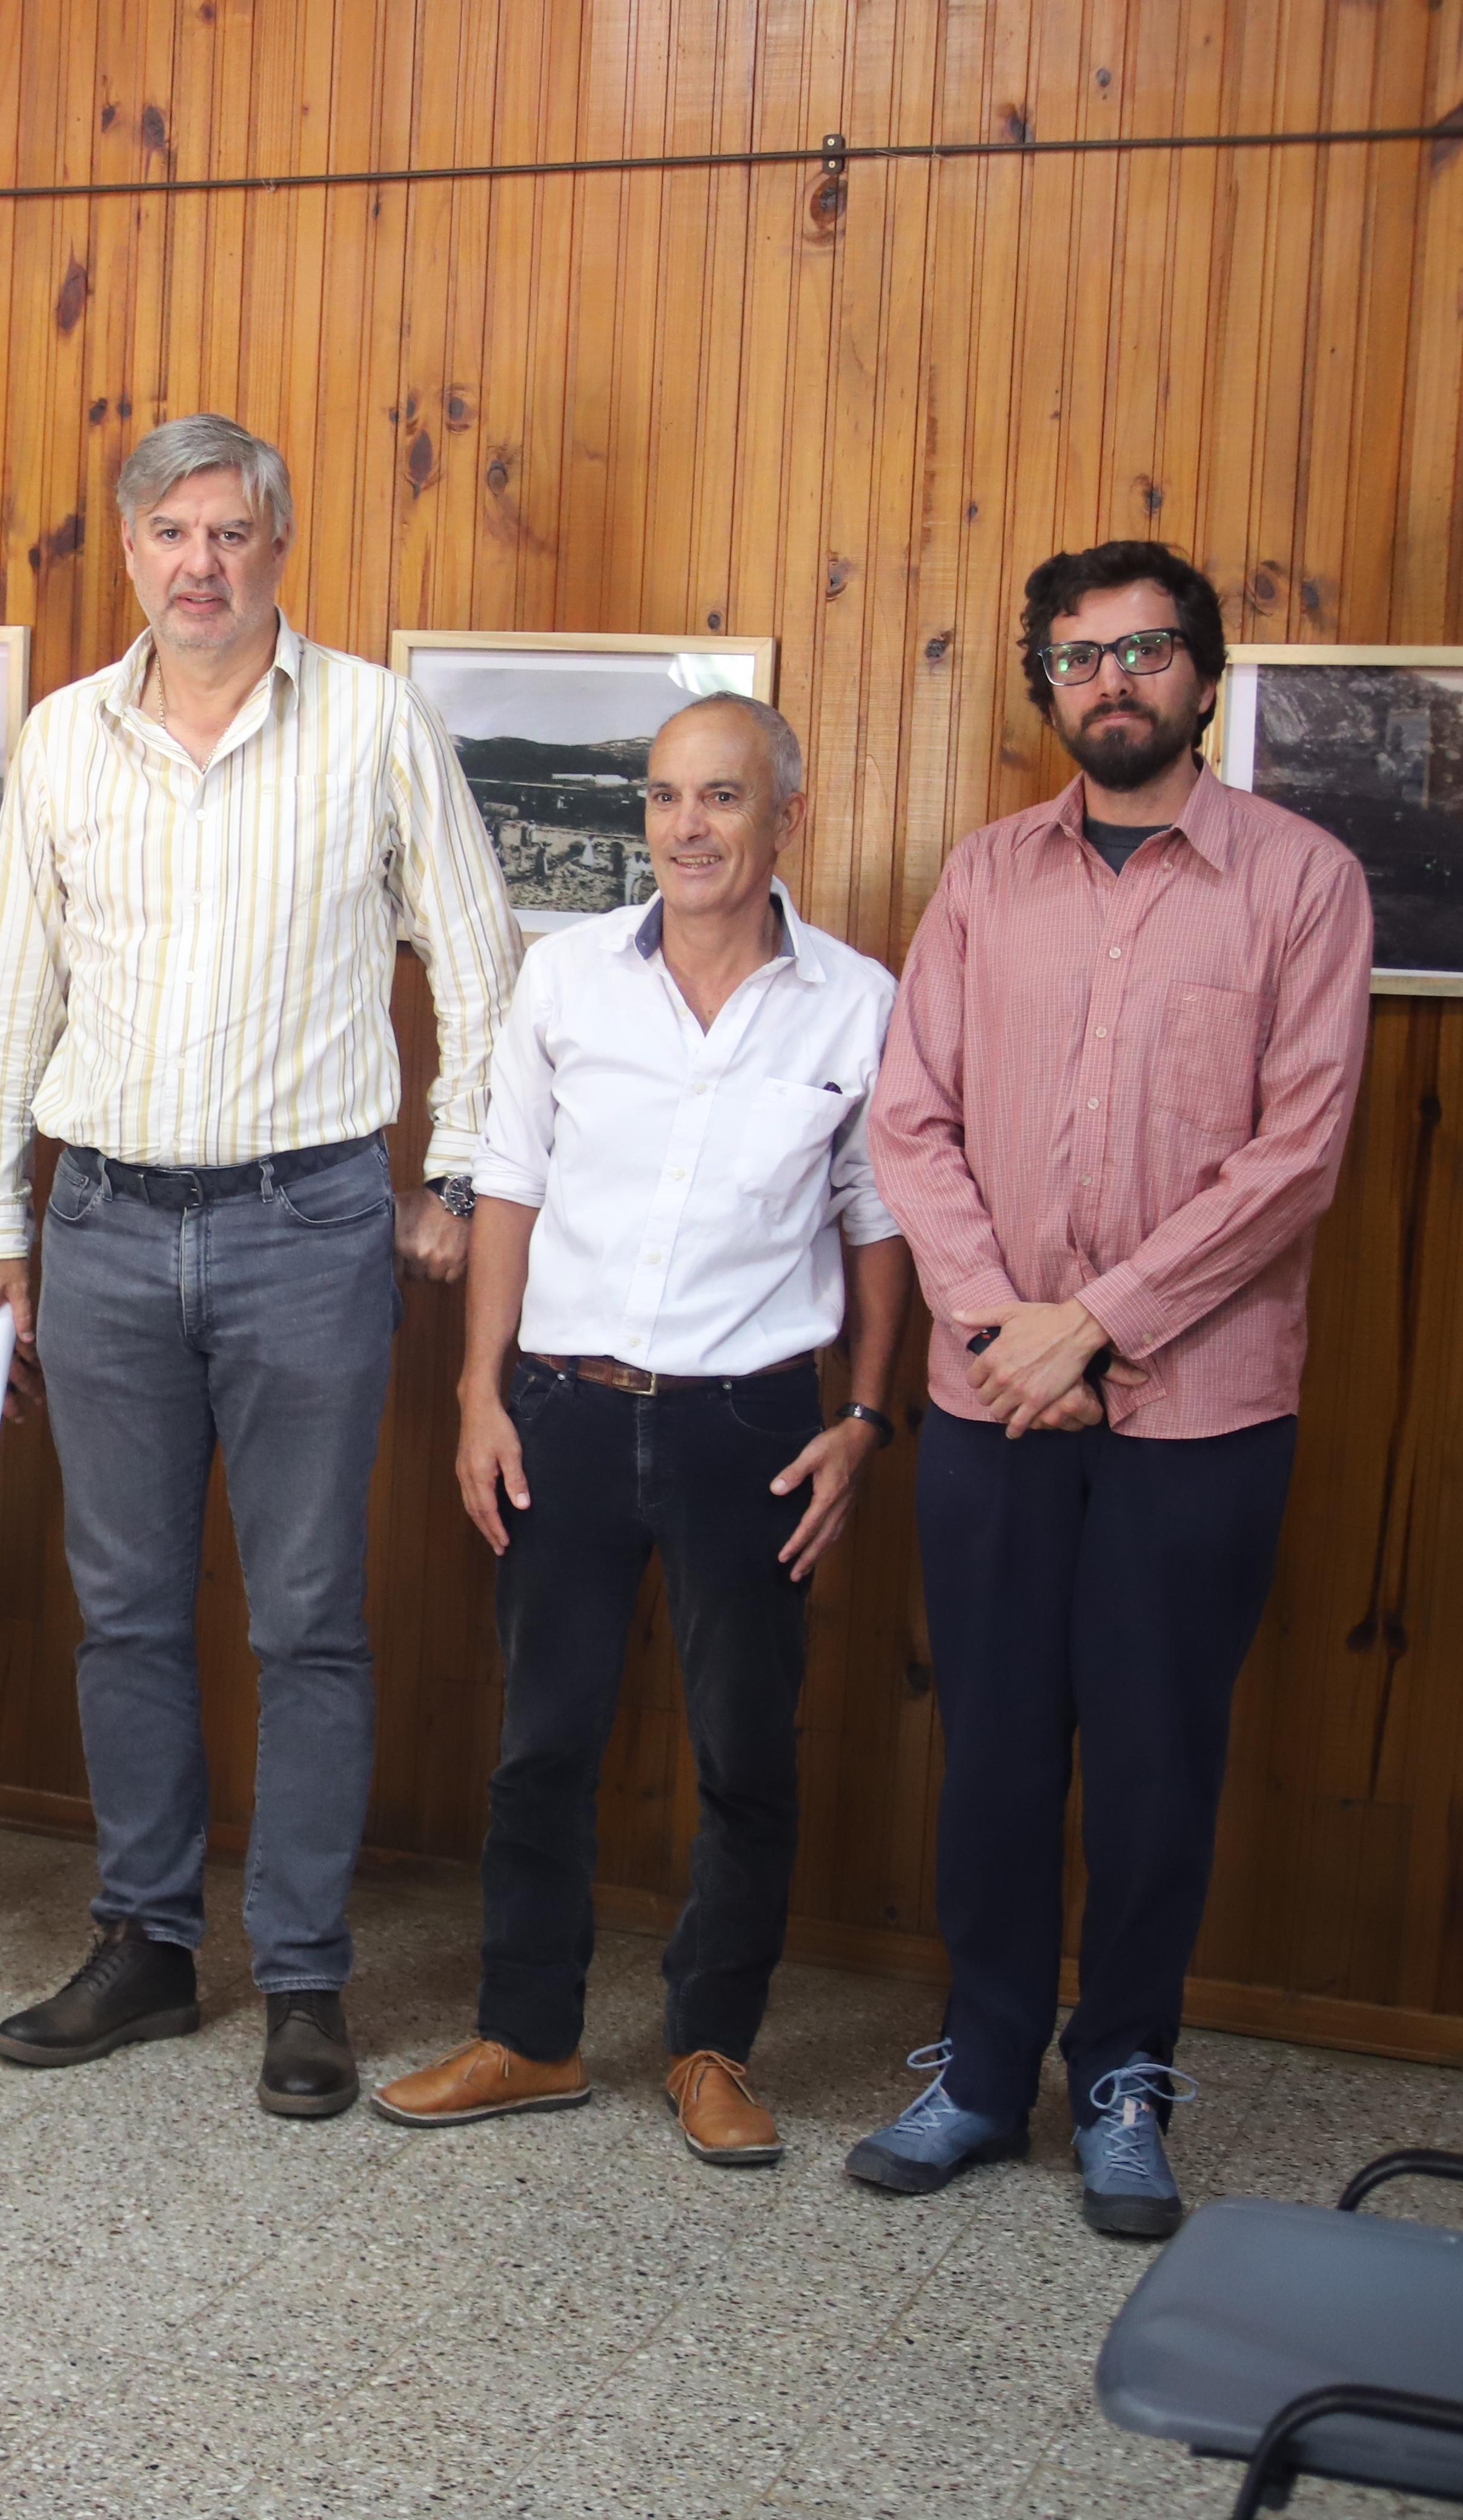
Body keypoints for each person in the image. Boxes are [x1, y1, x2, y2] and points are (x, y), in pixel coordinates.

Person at [0, 413, 520, 2116]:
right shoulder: (65, 736)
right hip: (105, 1228)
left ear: (279, 546)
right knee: (123, 1610)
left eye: (230, 532)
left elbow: (481, 963)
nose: (199, 563)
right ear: (130, 551)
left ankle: (303, 1976)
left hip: (307, 1229)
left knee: (310, 1617)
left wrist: (459, 1175)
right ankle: (143, 1942)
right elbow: (6, 1003)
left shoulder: (374, 721)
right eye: (170, 532)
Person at [854, 540, 1372, 2237]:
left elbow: (1296, 1157)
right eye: (1080, 658)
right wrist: (1006, 1327)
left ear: (1203, 677)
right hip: (993, 1397)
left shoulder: (1302, 882)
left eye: (1146, 651)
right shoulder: (985, 878)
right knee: (996, 1754)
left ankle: (1127, 2076)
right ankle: (984, 2070)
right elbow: (911, 1120)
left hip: (1200, 1409)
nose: (1113, 681)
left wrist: (1098, 1324)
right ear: (1048, 688)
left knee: (1155, 1767)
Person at [370, 695, 912, 2164]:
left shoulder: (858, 1003)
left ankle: (713, 2049)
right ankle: (528, 2037)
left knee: (746, 1754)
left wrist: (866, 1417)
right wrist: (479, 1395)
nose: (687, 826)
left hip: (757, 1428)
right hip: (565, 1412)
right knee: (541, 1745)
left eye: (721, 797)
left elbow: (879, 1222)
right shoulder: (568, 979)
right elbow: (509, 1187)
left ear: (785, 816)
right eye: (666, 796)